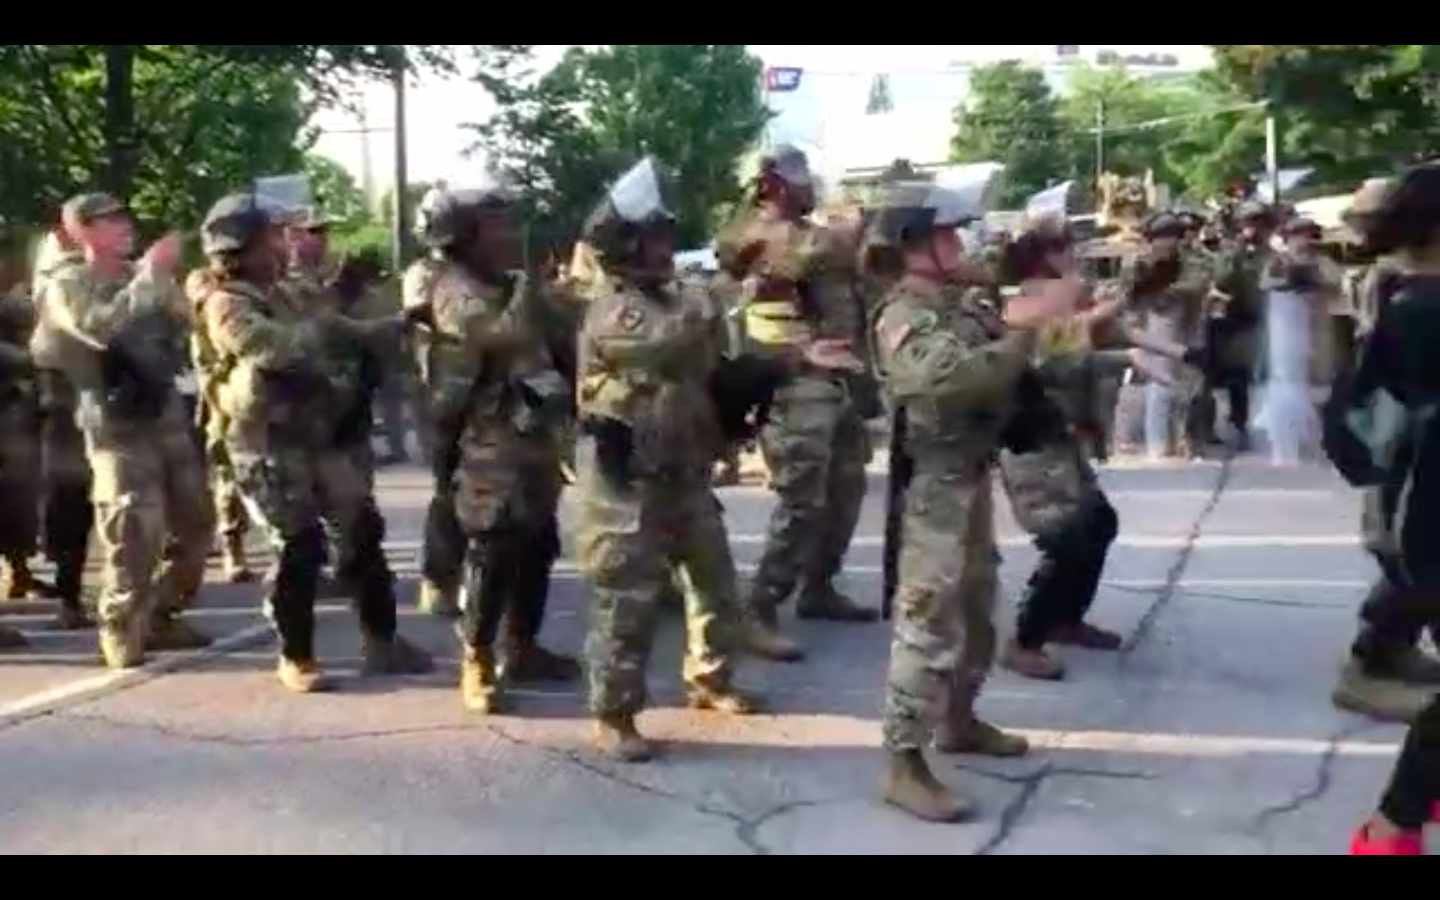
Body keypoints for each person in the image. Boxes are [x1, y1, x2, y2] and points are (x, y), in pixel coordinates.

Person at [868, 179, 1080, 822]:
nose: (960, 244)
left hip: (971, 475)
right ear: (913, 245)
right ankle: (903, 763)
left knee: (978, 611)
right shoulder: (904, 314)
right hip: (934, 485)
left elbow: (1024, 358)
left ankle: (959, 720)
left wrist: (1061, 329)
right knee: (928, 620)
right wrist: (1023, 334)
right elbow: (953, 380)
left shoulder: (959, 304)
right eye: (945, 234)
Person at [198, 192, 430, 692]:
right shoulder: (226, 303)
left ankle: (383, 639)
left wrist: (395, 324)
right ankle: (297, 656)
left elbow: (342, 330)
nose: (282, 247)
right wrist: (323, 324)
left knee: (363, 530)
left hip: (319, 434)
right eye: (271, 239)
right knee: (299, 545)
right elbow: (274, 348)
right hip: (269, 444)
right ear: (243, 249)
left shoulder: (286, 293)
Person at [575, 157, 766, 761]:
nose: (666, 249)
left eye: (665, 238)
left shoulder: (678, 296)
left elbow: (713, 357)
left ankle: (710, 679)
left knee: (715, 583)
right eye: (654, 239)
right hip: (629, 480)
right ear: (625, 248)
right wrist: (716, 303)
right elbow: (662, 345)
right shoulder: (615, 307)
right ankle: (615, 713)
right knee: (627, 600)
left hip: (683, 468)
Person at [995, 219, 1198, 680]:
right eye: (1065, 246)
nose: (1075, 254)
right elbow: (1050, 354)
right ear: (1045, 256)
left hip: (1057, 435)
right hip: (1029, 437)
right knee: (1066, 539)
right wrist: (1107, 322)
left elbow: (1081, 345)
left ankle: (1066, 619)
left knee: (1098, 523)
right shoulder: (1025, 302)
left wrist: (1142, 352)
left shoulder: (1056, 299)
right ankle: (1025, 640)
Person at [404, 185, 579, 713]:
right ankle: (477, 658)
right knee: (494, 545)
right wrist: (531, 292)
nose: (509, 238)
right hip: (487, 438)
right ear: (464, 238)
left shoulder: (507, 284)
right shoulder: (455, 290)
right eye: (496, 228)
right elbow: (496, 336)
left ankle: (522, 646)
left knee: (538, 544)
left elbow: (559, 331)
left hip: (533, 433)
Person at [37, 193, 215, 668]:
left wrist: (180, 294)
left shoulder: (143, 274)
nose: (123, 226)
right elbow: (99, 329)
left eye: (122, 217)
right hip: (116, 424)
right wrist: (148, 277)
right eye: (108, 220)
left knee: (197, 524)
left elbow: (190, 323)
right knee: (133, 526)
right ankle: (120, 624)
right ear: (82, 231)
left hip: (165, 413)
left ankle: (161, 613)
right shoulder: (69, 282)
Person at [716, 145, 875, 664]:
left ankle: (820, 586)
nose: (812, 188)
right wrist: (848, 235)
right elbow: (796, 258)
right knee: (802, 499)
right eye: (801, 180)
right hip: (795, 379)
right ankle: (759, 605)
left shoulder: (818, 234)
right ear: (773, 185)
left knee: (846, 486)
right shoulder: (751, 233)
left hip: (840, 375)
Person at [1333, 163, 1440, 851]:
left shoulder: (1409, 305)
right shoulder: (1422, 312)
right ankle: (1391, 827)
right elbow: (1351, 429)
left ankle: (1396, 823)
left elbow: (1350, 432)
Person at [29, 229, 95, 630]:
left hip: (75, 416)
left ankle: (69, 594)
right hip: (69, 417)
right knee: (71, 507)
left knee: (72, 507)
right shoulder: (55, 310)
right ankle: (68, 598)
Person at [1253, 217, 1341, 466]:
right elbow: (1265, 284)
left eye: (1308, 235)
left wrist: (1314, 280)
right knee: (1285, 384)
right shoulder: (1278, 262)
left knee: (1320, 385)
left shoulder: (1322, 262)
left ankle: (1317, 444)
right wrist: (1289, 281)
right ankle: (1284, 445)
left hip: (1317, 329)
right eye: (1298, 235)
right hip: (1285, 331)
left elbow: (1336, 283)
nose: (1304, 241)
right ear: (1288, 238)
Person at [187, 266, 256, 584]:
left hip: (246, 399)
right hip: (221, 403)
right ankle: (233, 548)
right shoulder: (210, 303)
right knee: (227, 479)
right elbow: (208, 366)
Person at [1123, 213, 1211, 460]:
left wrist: (1166, 289)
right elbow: (1128, 295)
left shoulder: (1192, 261)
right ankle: (1158, 446)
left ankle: (1186, 442)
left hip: (1189, 327)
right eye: (1161, 237)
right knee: (1161, 385)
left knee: (1190, 389)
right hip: (1157, 328)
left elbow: (1198, 284)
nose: (1167, 243)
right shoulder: (1139, 262)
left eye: (1172, 236)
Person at [1203, 201, 1274, 451]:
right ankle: (1236, 423)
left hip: (1259, 318)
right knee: (1234, 376)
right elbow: (1221, 281)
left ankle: (1249, 423)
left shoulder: (1270, 254)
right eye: (1249, 223)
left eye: (1259, 223)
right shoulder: (1231, 253)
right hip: (1232, 320)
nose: (1253, 228)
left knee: (1254, 375)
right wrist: (1237, 254)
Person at [0, 222, 43, 608]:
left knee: (18, 495)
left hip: (10, 407)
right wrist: (26, 360)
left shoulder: (10, 300)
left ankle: (19, 569)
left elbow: (27, 315)